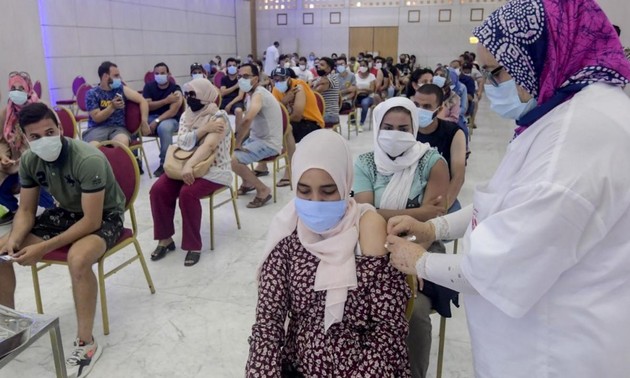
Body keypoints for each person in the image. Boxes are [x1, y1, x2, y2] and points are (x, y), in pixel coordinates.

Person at [385, 1, 630, 377]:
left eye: (495, 72)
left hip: (554, 353)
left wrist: (418, 260)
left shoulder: (574, 141)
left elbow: (495, 269)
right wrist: (434, 228)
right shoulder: (561, 114)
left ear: (540, 54)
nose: (488, 85)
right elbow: (506, 201)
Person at [246, 129, 411, 377]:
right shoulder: (287, 234)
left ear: (345, 185)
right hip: (299, 364)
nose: (315, 201)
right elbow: (268, 322)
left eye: (328, 191)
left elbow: (387, 330)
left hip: (364, 366)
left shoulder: (367, 228)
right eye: (304, 191)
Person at [0, 102, 127, 377]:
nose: (44, 140)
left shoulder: (86, 158)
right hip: (67, 212)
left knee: (78, 259)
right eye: (35, 137)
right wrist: (16, 238)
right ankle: (8, 329)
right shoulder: (30, 161)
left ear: (59, 127)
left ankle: (86, 343)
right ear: (24, 138)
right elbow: (25, 210)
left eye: (49, 132)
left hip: (104, 215)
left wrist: (43, 248)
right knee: (1, 251)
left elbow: (92, 222)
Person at [353, 98, 449, 378]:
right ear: (377, 127)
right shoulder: (366, 163)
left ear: (415, 128)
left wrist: (415, 243)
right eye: (388, 127)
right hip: (371, 245)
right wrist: (417, 211)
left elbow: (434, 219)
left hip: (424, 245)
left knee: (414, 311)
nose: (395, 134)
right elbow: (364, 212)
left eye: (404, 128)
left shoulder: (432, 162)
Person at [149, 79, 232, 266]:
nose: (189, 99)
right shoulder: (187, 115)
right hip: (183, 166)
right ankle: (165, 239)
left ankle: (193, 245)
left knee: (188, 193)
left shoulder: (219, 117)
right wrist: (203, 129)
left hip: (213, 169)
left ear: (205, 94)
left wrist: (191, 165)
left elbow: (209, 146)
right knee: (158, 190)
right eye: (187, 94)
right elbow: (182, 141)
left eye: (193, 94)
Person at [0, 72, 54, 225]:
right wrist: (4, 156)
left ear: (28, 89)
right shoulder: (6, 113)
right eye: (13, 88)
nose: (16, 92)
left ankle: (53, 211)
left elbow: (53, 136)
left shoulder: (41, 109)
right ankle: (15, 211)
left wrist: (28, 156)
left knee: (39, 189)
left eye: (21, 88)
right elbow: (2, 141)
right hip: (14, 163)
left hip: (38, 161)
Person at [231, 63, 283, 209]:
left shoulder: (259, 94)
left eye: (246, 76)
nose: (242, 79)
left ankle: (263, 190)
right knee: (229, 152)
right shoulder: (251, 94)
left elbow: (248, 119)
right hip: (257, 139)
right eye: (240, 76)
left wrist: (238, 142)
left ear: (256, 78)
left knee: (233, 160)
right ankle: (247, 183)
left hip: (269, 143)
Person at [412, 84, 466, 212]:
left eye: (426, 107)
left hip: (440, 195)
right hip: (409, 193)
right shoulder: (406, 130)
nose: (420, 110)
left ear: (439, 109)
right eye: (416, 105)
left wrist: (444, 207)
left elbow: (458, 176)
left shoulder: (454, 133)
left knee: (454, 225)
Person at [269, 67, 324, 186]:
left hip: (310, 123)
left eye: (281, 79)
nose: (278, 82)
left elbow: (297, 116)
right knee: (269, 129)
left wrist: (281, 117)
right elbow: (272, 112)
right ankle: (262, 166)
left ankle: (290, 171)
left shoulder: (299, 86)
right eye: (275, 80)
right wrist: (284, 101)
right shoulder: (276, 89)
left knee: (286, 129)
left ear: (288, 78)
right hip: (291, 121)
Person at [83, 61, 150, 147]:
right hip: (96, 129)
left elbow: (142, 101)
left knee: (122, 143)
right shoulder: (92, 93)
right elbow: (97, 118)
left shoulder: (121, 89)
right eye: (116, 76)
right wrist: (112, 107)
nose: (119, 79)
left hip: (118, 129)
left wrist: (144, 121)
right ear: (105, 76)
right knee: (94, 148)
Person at [142, 62, 183, 177]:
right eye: (156, 73)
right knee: (137, 124)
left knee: (164, 128)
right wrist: (165, 101)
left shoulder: (175, 88)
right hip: (151, 117)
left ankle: (165, 163)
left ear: (168, 74)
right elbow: (147, 105)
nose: (159, 75)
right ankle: (136, 161)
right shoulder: (149, 87)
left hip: (171, 119)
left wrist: (157, 121)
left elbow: (173, 111)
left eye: (162, 73)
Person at [313, 57, 340, 125]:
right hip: (320, 112)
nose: (318, 66)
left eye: (322, 65)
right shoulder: (320, 78)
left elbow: (314, 93)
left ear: (329, 68)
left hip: (330, 115)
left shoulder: (332, 78)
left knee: (306, 122)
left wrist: (314, 86)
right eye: (318, 64)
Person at [355, 60, 377, 130]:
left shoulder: (371, 76)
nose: (362, 67)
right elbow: (354, 88)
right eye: (361, 65)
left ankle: (361, 123)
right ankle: (352, 123)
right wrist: (365, 89)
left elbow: (372, 89)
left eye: (364, 65)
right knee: (351, 103)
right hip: (357, 96)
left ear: (367, 67)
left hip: (368, 96)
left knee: (364, 104)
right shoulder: (355, 76)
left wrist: (361, 89)